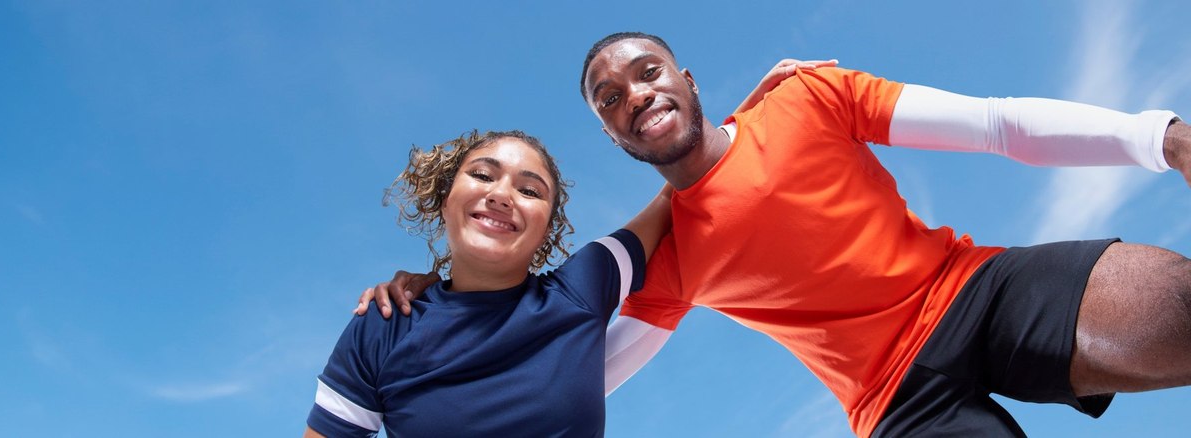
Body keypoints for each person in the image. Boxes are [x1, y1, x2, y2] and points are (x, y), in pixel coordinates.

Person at [363, 31, 1191, 437]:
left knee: (1172, 309)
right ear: (615, 138)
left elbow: (997, 126)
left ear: (684, 79)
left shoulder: (806, 98)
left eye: (645, 71)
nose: (634, 94)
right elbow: (573, 376)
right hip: (898, 401)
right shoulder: (667, 257)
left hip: (974, 290)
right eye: (609, 99)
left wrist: (1164, 137)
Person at [308, 60, 835, 437]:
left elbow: (680, 186)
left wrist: (744, 122)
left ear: (546, 231)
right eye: (483, 175)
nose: (501, 194)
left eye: (530, 190)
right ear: (445, 198)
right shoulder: (382, 321)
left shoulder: (580, 291)